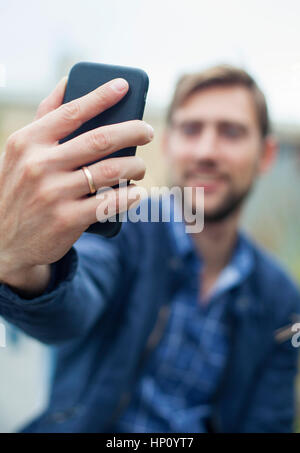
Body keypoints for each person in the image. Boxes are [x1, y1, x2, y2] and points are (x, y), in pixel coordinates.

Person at [0, 65, 299, 433]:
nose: (206, 151)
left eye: (231, 132)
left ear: (266, 155)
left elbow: (268, 423)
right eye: (191, 129)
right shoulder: (121, 228)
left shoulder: (281, 298)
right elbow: (70, 307)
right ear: (170, 144)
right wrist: (16, 263)